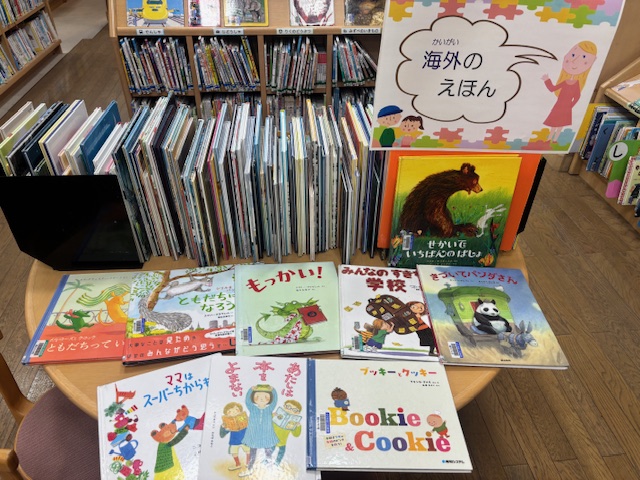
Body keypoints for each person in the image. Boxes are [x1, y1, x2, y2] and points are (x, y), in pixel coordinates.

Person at [541, 41, 597, 143]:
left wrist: (571, 105)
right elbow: (553, 88)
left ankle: (555, 139)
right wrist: (547, 80)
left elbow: (577, 96)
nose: (574, 61)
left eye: (583, 57)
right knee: (554, 122)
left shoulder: (577, 84)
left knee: (561, 124)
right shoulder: (565, 81)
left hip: (566, 106)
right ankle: (549, 138)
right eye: (573, 55)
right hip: (559, 105)